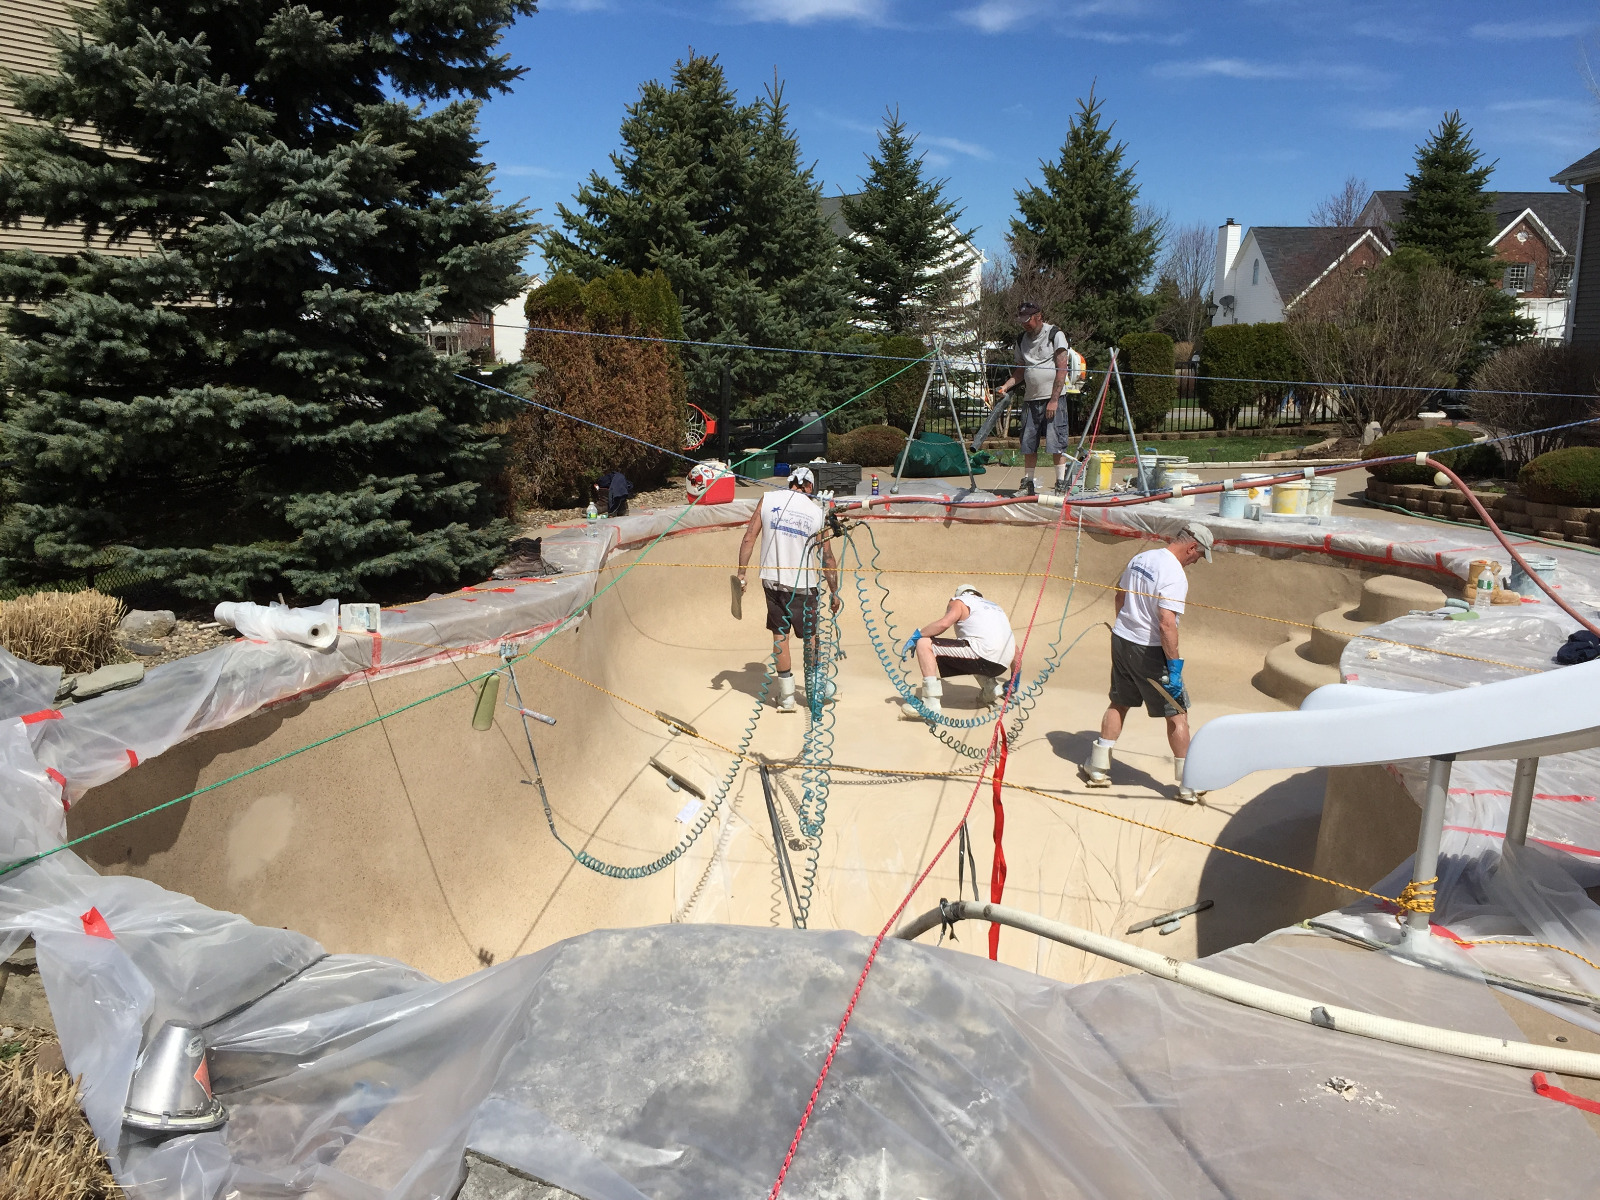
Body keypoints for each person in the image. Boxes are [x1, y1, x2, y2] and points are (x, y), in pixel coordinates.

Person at [1080, 523, 1216, 803]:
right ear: (1191, 547)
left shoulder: (1141, 558)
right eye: (1199, 556)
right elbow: (1167, 624)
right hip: (1150, 650)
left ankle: (1096, 768)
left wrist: (1124, 626)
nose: (1196, 561)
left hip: (1122, 640)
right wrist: (1174, 665)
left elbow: (1119, 594)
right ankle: (1189, 784)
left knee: (1119, 701)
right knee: (1177, 712)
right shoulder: (1174, 575)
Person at [735, 466, 843, 713]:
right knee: (811, 636)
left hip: (772, 581)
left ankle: (786, 697)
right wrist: (835, 591)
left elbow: (749, 537)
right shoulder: (816, 512)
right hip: (805, 585)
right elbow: (827, 556)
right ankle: (815, 689)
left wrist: (742, 573)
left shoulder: (769, 498)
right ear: (809, 487)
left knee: (779, 634)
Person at [988, 302, 1080, 496]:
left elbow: (1062, 369)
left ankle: (1061, 484)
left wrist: (1054, 400)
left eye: (1027, 320)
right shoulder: (1022, 339)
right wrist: (1005, 386)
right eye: (1021, 320)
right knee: (1028, 442)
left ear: (1038, 316)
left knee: (1056, 442)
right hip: (1031, 399)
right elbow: (1021, 370)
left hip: (1053, 398)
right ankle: (1028, 483)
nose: (1024, 324)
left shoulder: (1055, 335)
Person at [899, 584, 1021, 720]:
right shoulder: (996, 608)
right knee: (970, 649)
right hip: (1001, 665)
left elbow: (944, 624)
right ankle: (990, 688)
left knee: (924, 643)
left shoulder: (960, 601)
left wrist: (917, 635)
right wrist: (1014, 681)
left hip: (981, 656)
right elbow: (1015, 651)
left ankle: (930, 704)